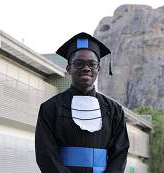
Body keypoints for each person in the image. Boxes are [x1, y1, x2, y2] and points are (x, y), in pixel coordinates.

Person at [35, 32, 129, 173]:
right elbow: (46, 153)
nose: (86, 68)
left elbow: (120, 154)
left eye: (92, 64)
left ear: (98, 68)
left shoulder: (115, 110)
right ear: (68, 68)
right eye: (79, 63)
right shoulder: (50, 108)